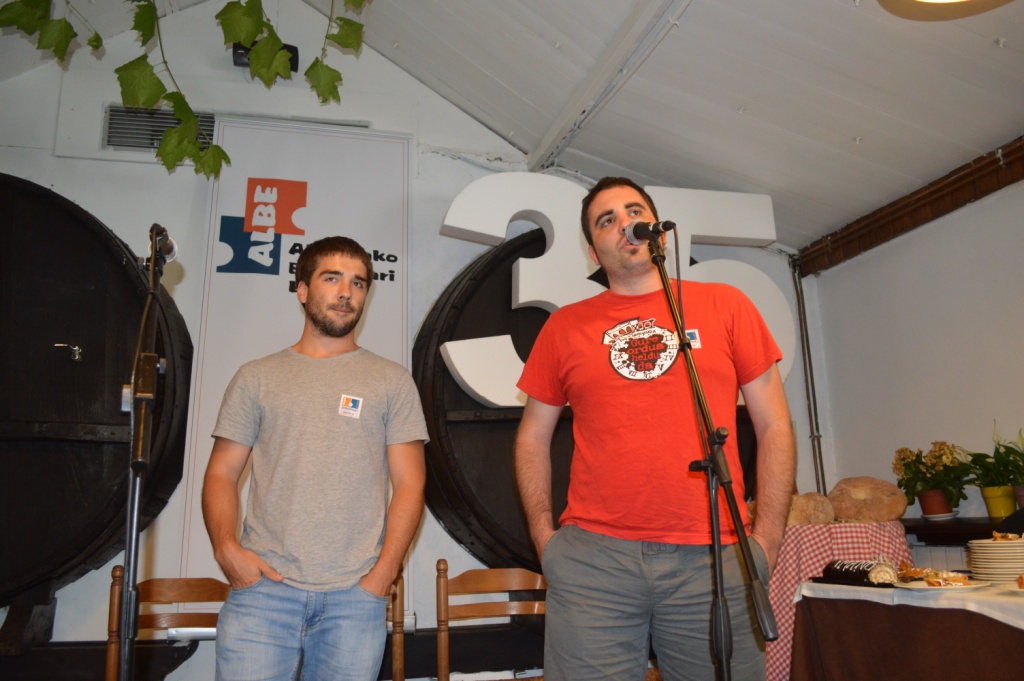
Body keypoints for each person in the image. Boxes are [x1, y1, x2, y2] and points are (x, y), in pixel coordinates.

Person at [514, 177, 796, 681]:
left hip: (715, 558)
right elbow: (532, 437)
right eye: (607, 220)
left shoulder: (726, 304)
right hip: (594, 563)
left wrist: (767, 542)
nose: (625, 224)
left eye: (634, 211)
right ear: (593, 251)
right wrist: (545, 540)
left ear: (659, 229)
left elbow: (775, 424)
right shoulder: (564, 327)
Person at [202, 236, 428, 681]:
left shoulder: (392, 381)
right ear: (302, 290)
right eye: (332, 279)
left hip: (355, 599)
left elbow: (410, 484)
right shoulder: (256, 377)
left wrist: (383, 575)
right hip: (263, 592)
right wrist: (226, 550)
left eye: (358, 283)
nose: (346, 293)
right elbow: (221, 472)